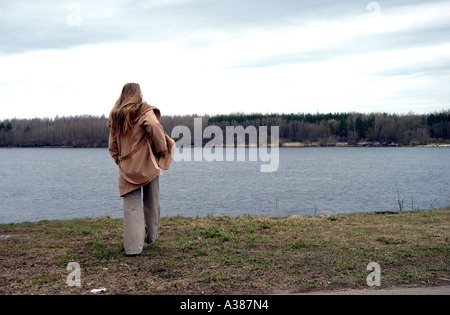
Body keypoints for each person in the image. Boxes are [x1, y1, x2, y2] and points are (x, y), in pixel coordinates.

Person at [107, 83, 174, 256]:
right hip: (148, 165)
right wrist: (160, 150)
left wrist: (121, 162)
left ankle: (133, 249)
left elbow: (112, 147)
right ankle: (151, 237)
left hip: (126, 169)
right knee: (152, 202)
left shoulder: (116, 116)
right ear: (138, 94)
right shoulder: (145, 111)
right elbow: (154, 126)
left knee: (131, 209)